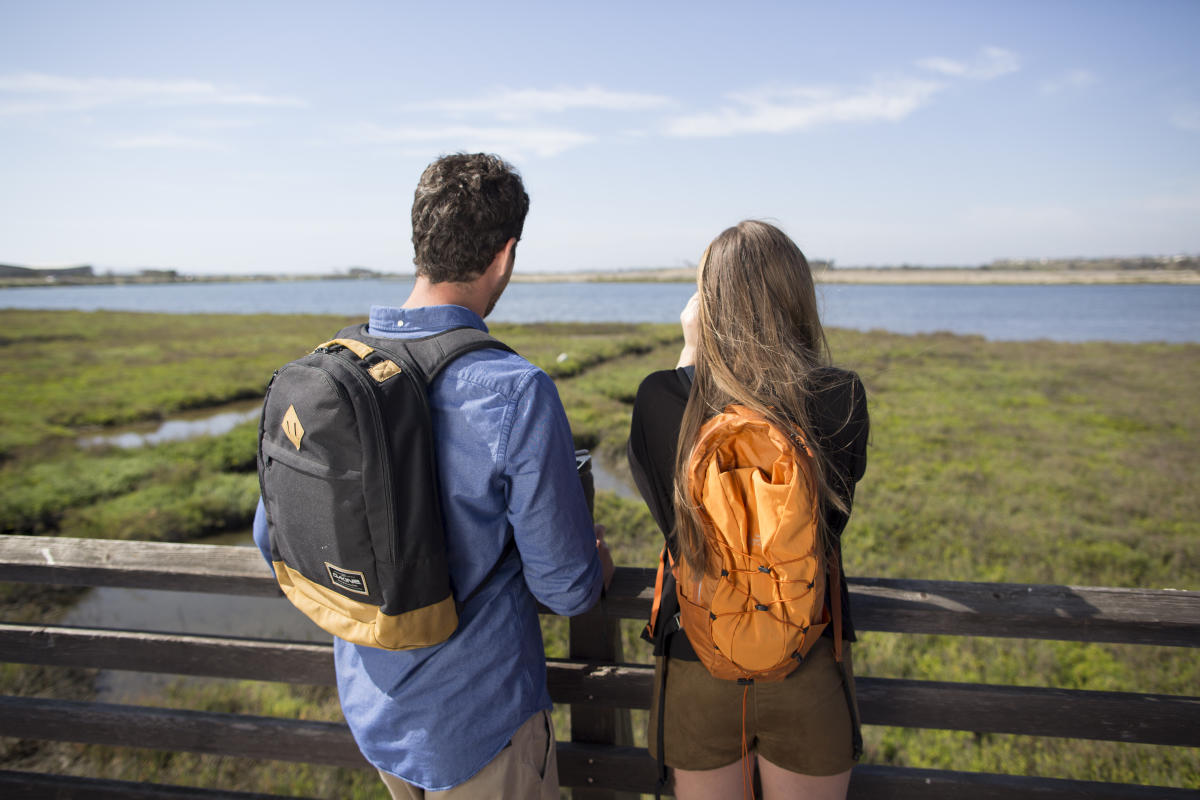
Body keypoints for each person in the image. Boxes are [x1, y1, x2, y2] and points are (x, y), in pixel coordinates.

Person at [253, 152, 613, 799]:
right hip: (481, 721)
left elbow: (269, 537)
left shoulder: (329, 371)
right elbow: (563, 588)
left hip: (375, 708)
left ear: (421, 241)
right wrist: (596, 565)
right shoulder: (515, 391)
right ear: (504, 256)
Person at [627, 220, 869, 800]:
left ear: (707, 305)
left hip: (697, 654)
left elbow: (670, 518)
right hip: (807, 649)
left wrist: (690, 348)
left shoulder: (662, 398)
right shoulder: (841, 396)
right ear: (797, 295)